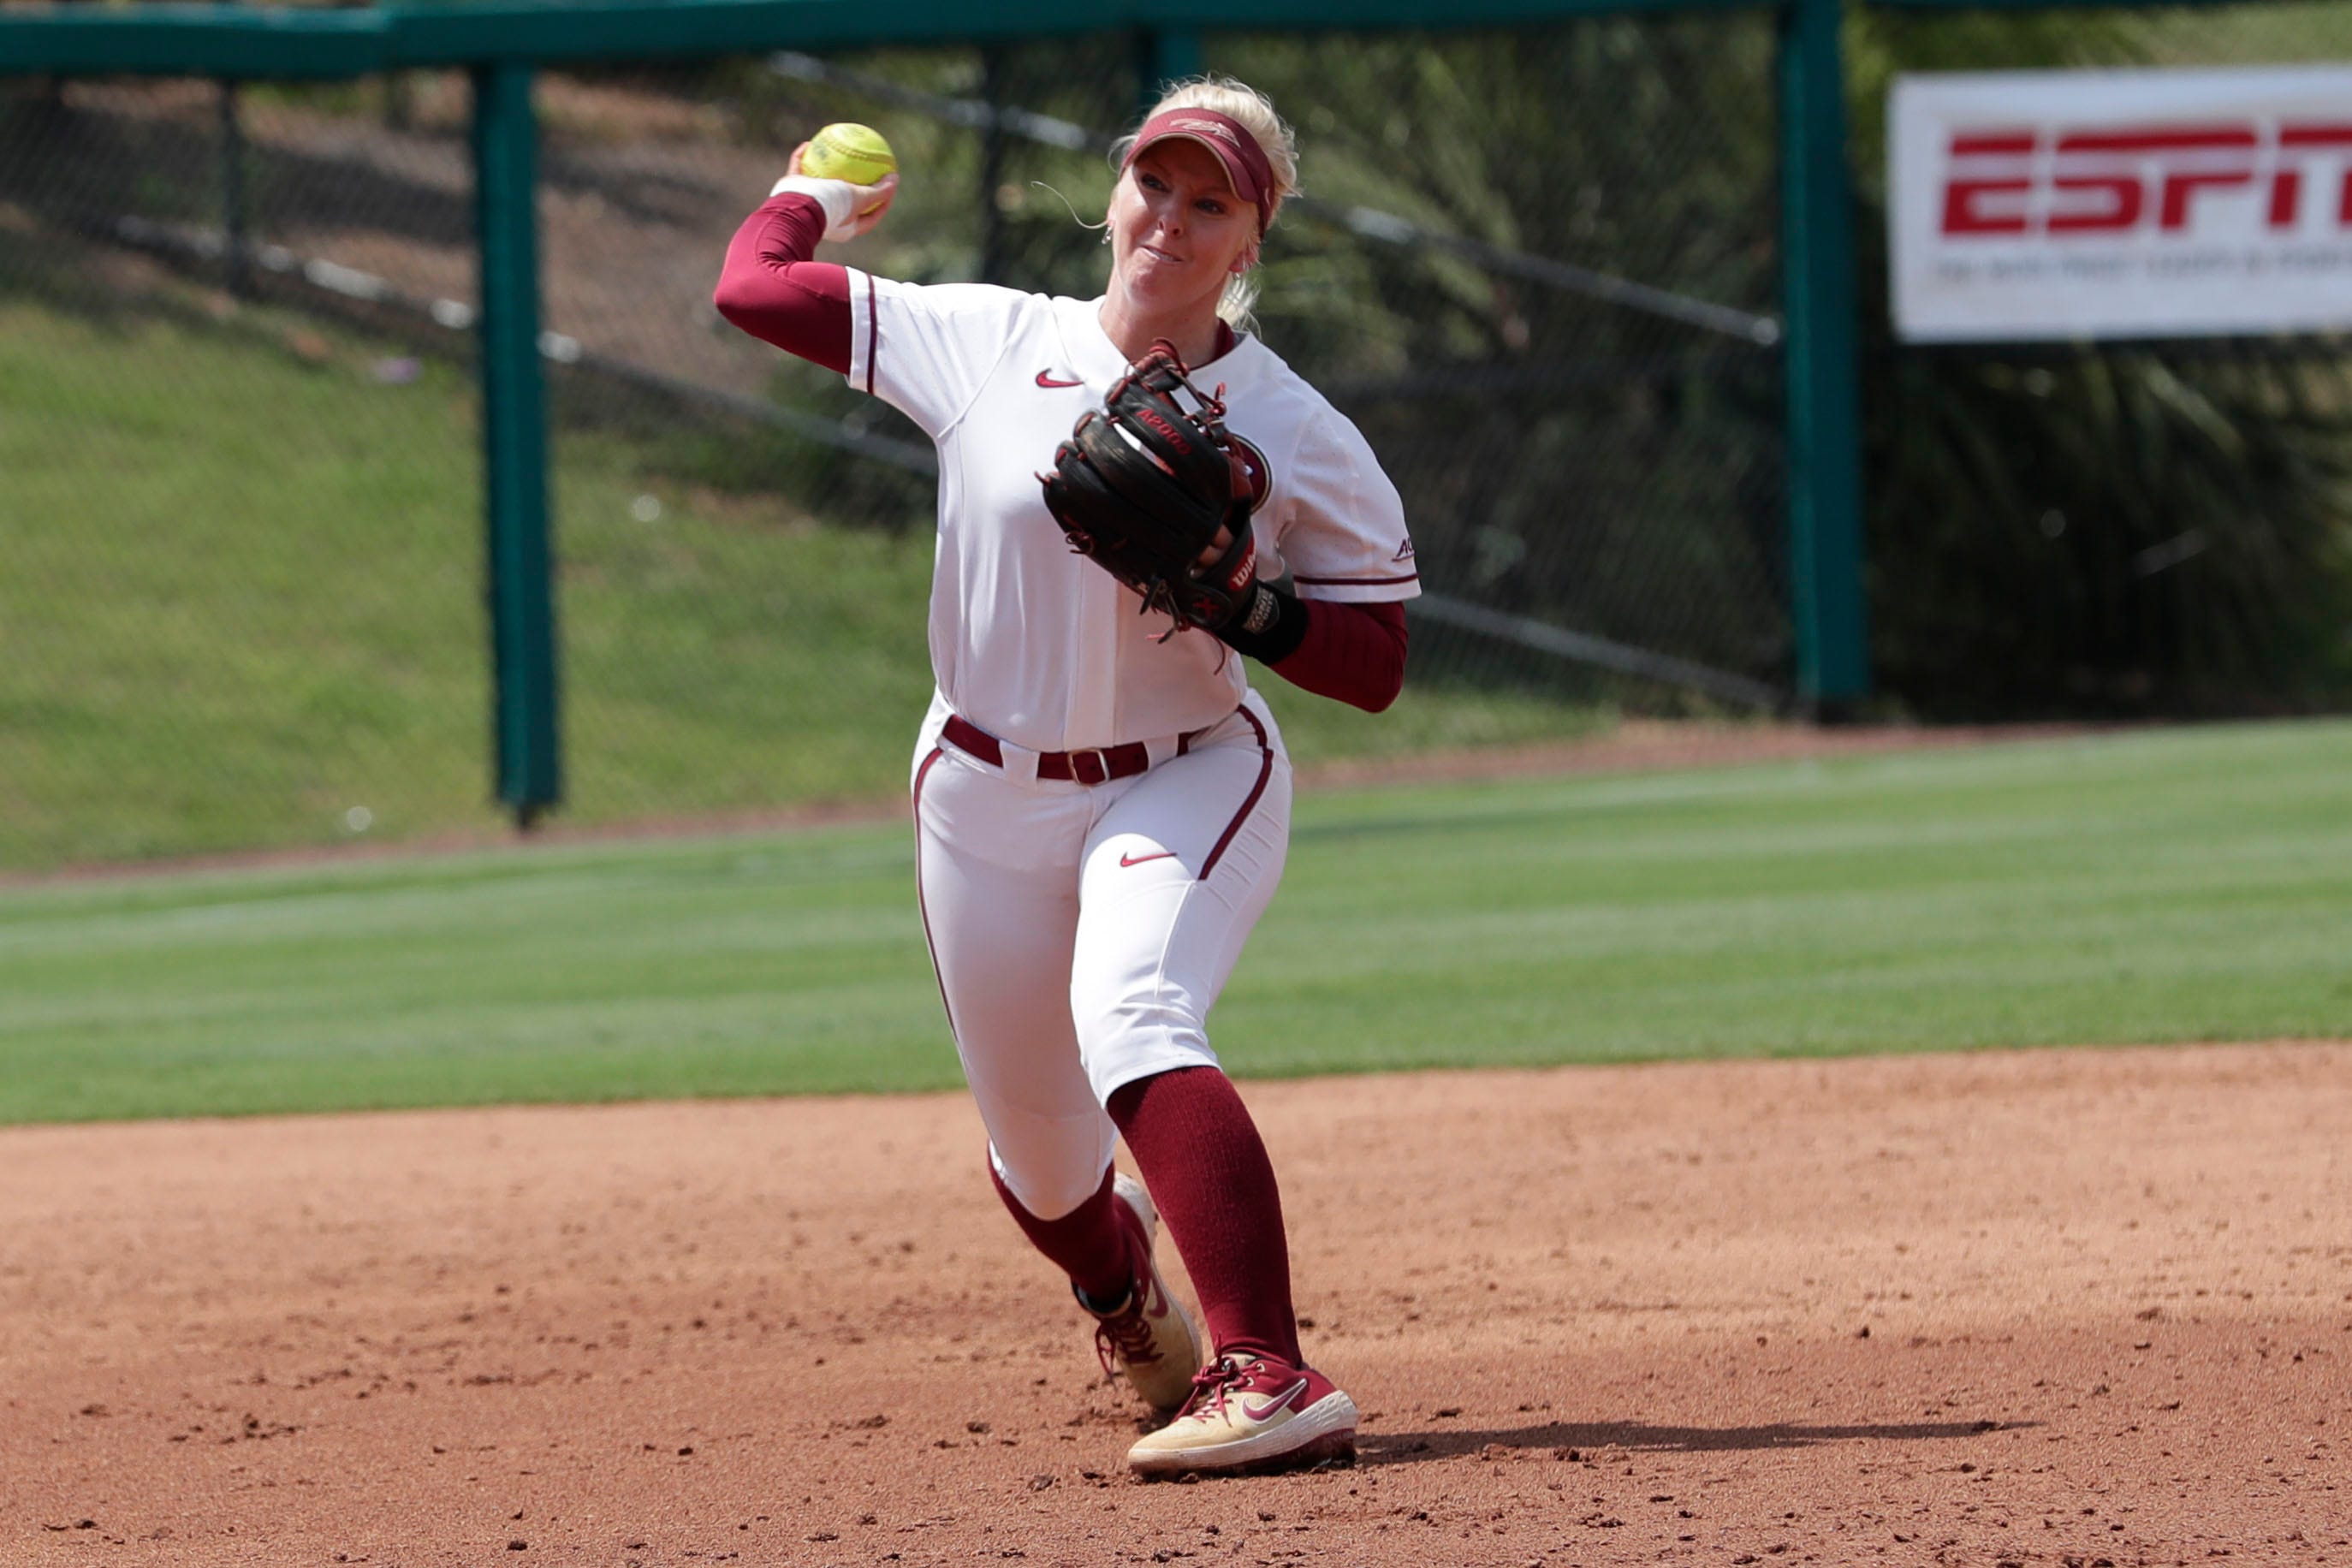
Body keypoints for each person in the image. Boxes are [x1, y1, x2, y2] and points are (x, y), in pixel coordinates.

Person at [714, 76, 1417, 1476]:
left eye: (1210, 199)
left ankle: (1268, 1370)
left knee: (1136, 1011)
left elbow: (1378, 658)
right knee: (1044, 1166)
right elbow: (754, 290)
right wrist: (817, 195)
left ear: (1248, 242)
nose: (1172, 214)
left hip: (1186, 771)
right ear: (1115, 195)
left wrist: (1249, 608)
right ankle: (1119, 1295)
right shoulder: (982, 340)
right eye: (1155, 182)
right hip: (980, 794)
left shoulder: (1296, 425)